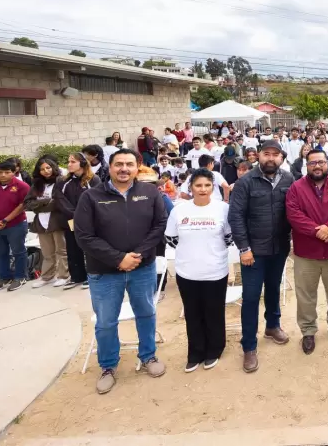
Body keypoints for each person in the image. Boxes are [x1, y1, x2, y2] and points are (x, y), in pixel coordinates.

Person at [75, 148, 168, 394]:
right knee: (106, 322)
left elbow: (159, 225)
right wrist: (118, 259)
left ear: (137, 167)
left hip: (142, 267)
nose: (124, 169)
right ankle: (107, 366)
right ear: (110, 167)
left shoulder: (150, 193)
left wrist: (136, 255)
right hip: (104, 272)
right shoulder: (91, 197)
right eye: (119, 164)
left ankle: (148, 355)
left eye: (129, 164)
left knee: (146, 313)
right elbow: (83, 236)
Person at [228, 140, 294, 373]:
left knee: (274, 289)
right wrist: (244, 248)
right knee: (252, 297)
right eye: (266, 154)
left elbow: (294, 211)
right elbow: (235, 217)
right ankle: (249, 346)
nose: (270, 158)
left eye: (275, 155)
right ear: (259, 156)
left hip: (279, 248)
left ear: (281, 158)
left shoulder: (288, 179)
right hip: (253, 253)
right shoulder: (246, 182)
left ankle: (272, 326)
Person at [165, 169, 233, 372]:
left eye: (207, 185)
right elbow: (171, 238)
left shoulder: (223, 209)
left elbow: (229, 237)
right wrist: (193, 251)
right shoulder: (179, 210)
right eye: (198, 185)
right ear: (190, 187)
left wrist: (209, 251)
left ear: (213, 187)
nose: (203, 189)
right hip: (187, 272)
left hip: (215, 271)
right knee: (192, 314)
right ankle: (195, 352)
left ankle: (214, 349)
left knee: (214, 312)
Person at [285, 149, 328, 354]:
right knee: (305, 295)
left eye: (321, 162)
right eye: (312, 163)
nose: (317, 166)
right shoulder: (296, 187)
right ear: (306, 165)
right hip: (306, 252)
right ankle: (308, 330)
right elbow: (294, 215)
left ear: (327, 163)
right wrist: (317, 231)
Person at [0, 160, 30, 293]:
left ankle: (20, 277)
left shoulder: (22, 186)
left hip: (15, 225)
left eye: (7, 172)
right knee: (0, 253)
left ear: (14, 172)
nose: (3, 175)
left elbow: (22, 205)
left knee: (18, 251)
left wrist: (5, 220)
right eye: (0, 172)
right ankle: (4, 277)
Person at [54, 153, 100, 290]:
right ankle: (77, 276)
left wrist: (84, 216)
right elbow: (59, 199)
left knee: (90, 249)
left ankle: (93, 275)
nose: (69, 164)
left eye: (72, 162)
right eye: (68, 161)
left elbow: (96, 199)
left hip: (90, 220)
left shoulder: (93, 180)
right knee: (73, 249)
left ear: (83, 163)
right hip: (71, 221)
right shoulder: (63, 181)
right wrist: (75, 215)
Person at [25, 157, 70, 288]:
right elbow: (28, 203)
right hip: (41, 223)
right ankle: (47, 277)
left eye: (48, 168)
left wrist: (40, 205)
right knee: (47, 252)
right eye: (42, 169)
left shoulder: (61, 181)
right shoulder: (37, 185)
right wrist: (45, 202)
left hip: (57, 221)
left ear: (54, 167)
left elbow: (59, 203)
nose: (46, 171)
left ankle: (64, 275)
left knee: (62, 251)